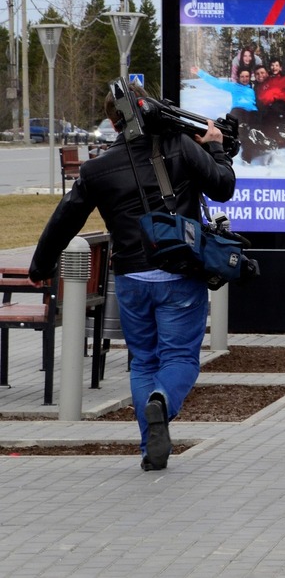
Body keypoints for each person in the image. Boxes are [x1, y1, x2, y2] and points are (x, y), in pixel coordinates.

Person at [27, 81, 236, 471]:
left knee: (143, 362)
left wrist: (40, 266)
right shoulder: (181, 146)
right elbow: (223, 187)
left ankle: (150, 447)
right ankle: (162, 402)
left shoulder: (96, 168)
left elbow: (63, 220)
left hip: (131, 280)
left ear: (113, 120)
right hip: (180, 276)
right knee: (179, 359)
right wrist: (217, 147)